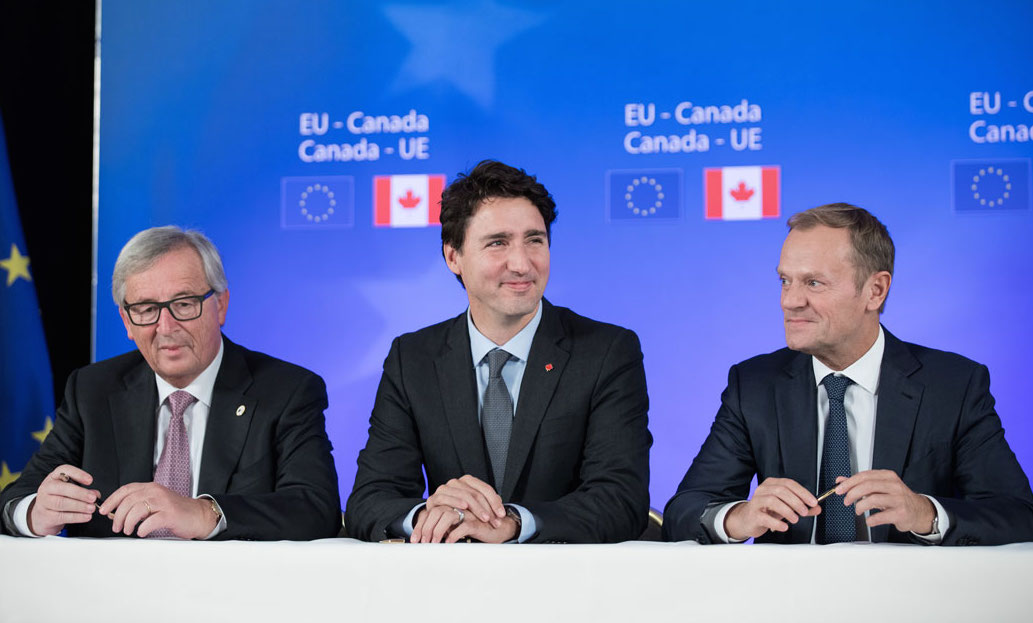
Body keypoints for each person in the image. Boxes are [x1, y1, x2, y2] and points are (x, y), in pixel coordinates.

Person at [663, 203, 1033, 545]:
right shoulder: (754, 385)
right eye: (784, 281)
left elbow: (1018, 515)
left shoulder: (953, 385)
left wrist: (925, 513)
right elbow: (684, 511)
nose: (789, 301)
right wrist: (737, 518)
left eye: (813, 283)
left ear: (875, 290)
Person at [345, 160, 651, 543]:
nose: (522, 264)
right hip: (449, 589)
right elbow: (369, 501)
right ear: (453, 256)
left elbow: (621, 500)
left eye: (535, 240)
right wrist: (430, 514)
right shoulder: (413, 358)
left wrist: (516, 522)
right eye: (498, 243)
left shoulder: (607, 352)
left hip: (571, 586)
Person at [0, 226, 340, 540]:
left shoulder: (287, 391)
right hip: (110, 597)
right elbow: (16, 497)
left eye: (183, 304)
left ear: (220, 305)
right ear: (126, 321)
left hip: (234, 596)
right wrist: (33, 512)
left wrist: (204, 513)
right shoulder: (93, 390)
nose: (165, 326)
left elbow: (315, 508)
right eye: (146, 309)